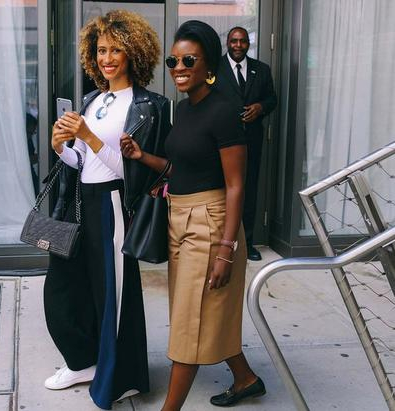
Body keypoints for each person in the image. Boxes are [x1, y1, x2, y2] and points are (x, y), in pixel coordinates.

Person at [120, 21, 265, 409]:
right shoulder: (183, 109)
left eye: (189, 60)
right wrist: (142, 156)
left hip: (211, 222)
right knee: (198, 309)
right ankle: (246, 379)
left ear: (209, 65)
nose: (179, 68)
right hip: (178, 218)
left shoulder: (225, 111)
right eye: (173, 61)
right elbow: (180, 168)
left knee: (190, 321)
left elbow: (236, 185)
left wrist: (226, 249)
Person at [43, 10, 171, 409]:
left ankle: (120, 377)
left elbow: (130, 173)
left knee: (113, 293)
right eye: (101, 50)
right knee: (64, 286)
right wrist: (60, 147)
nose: (107, 58)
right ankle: (82, 360)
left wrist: (88, 135)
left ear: (133, 53)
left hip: (112, 204)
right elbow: (82, 162)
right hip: (80, 202)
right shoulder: (92, 99)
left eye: (116, 50)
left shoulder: (148, 106)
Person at [215, 26, 277, 261]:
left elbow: (272, 99)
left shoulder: (262, 70)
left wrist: (260, 108)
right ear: (228, 42)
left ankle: (246, 243)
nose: (238, 45)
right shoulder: (214, 68)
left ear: (248, 44)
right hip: (221, 142)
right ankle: (220, 243)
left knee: (248, 190)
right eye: (234, 41)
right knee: (220, 190)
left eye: (242, 41)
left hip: (251, 141)